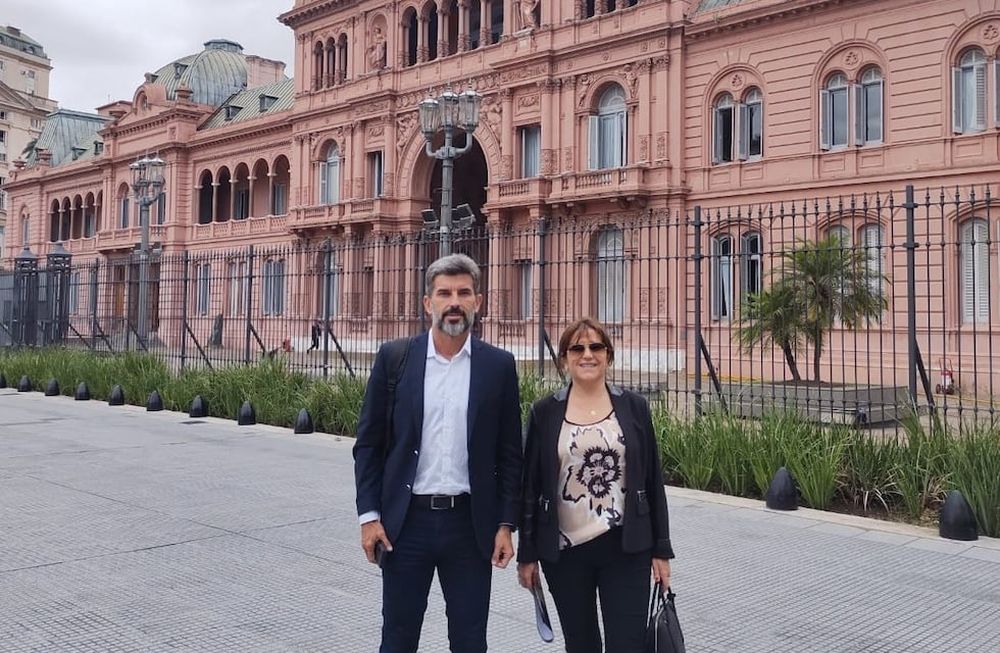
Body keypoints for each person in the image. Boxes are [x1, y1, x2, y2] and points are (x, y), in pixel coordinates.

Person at [353, 253, 523, 653]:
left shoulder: (497, 366)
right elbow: (369, 444)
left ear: (478, 302)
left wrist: (505, 524)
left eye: (464, 293)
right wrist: (369, 517)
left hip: (469, 525)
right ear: (427, 303)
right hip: (405, 524)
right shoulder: (396, 359)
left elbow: (510, 453)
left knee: (469, 640)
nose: (454, 302)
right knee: (398, 637)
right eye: (444, 293)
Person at [517, 317, 674, 653]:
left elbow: (652, 478)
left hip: (627, 547)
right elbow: (530, 487)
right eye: (577, 348)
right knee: (581, 643)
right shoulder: (544, 412)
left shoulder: (634, 407)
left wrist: (662, 549)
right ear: (565, 358)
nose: (587, 354)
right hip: (566, 553)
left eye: (595, 347)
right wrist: (526, 554)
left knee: (627, 644)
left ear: (608, 355)